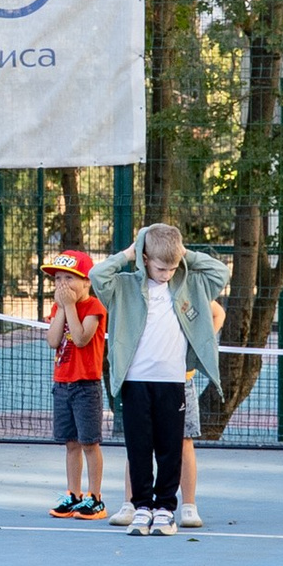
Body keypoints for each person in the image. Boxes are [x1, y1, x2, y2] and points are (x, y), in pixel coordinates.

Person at [88, 221, 227, 538]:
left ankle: (166, 509)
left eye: (172, 267)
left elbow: (220, 273)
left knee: (169, 449)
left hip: (173, 382)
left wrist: (184, 255)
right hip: (136, 381)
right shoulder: (123, 287)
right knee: (138, 448)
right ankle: (142, 508)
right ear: (145, 258)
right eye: (161, 267)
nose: (166, 273)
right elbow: (97, 276)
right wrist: (129, 252)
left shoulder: (189, 286)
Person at [43, 249, 109, 518]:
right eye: (58, 279)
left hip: (86, 386)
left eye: (69, 278)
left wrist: (69, 305)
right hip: (62, 384)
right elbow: (53, 341)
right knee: (70, 443)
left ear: (86, 282)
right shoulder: (58, 307)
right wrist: (62, 307)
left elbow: (81, 339)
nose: (62, 285)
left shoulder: (94, 307)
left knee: (89, 443)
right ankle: (74, 494)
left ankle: (95, 497)